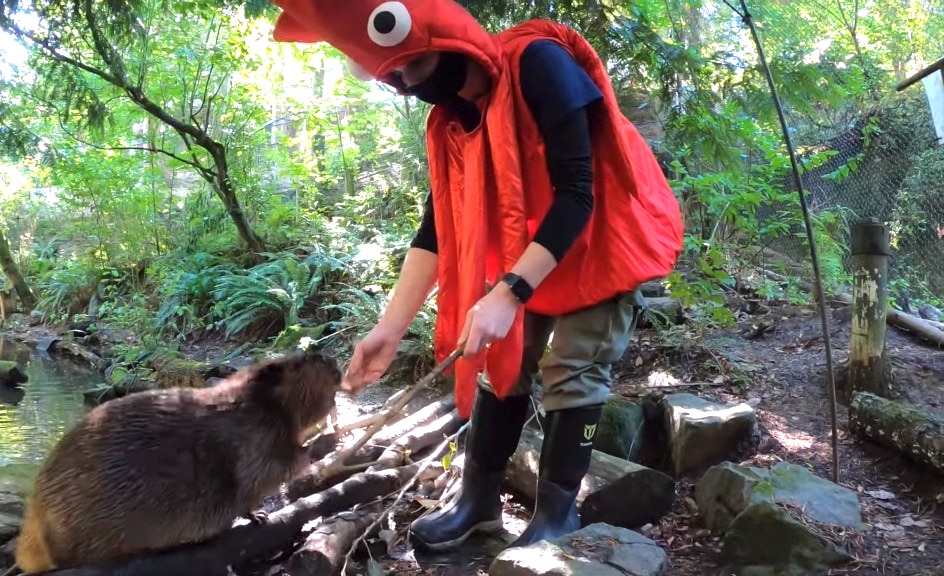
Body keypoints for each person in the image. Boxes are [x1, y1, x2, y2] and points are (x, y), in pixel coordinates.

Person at [270, 0, 684, 551]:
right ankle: (478, 503)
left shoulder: (539, 63)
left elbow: (577, 194)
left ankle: (557, 518)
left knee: (574, 366)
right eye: (391, 78)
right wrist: (389, 330)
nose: (405, 87)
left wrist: (508, 292)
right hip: (531, 250)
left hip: (603, 241)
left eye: (410, 68)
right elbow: (437, 227)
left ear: (445, 39)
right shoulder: (449, 122)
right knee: (500, 361)